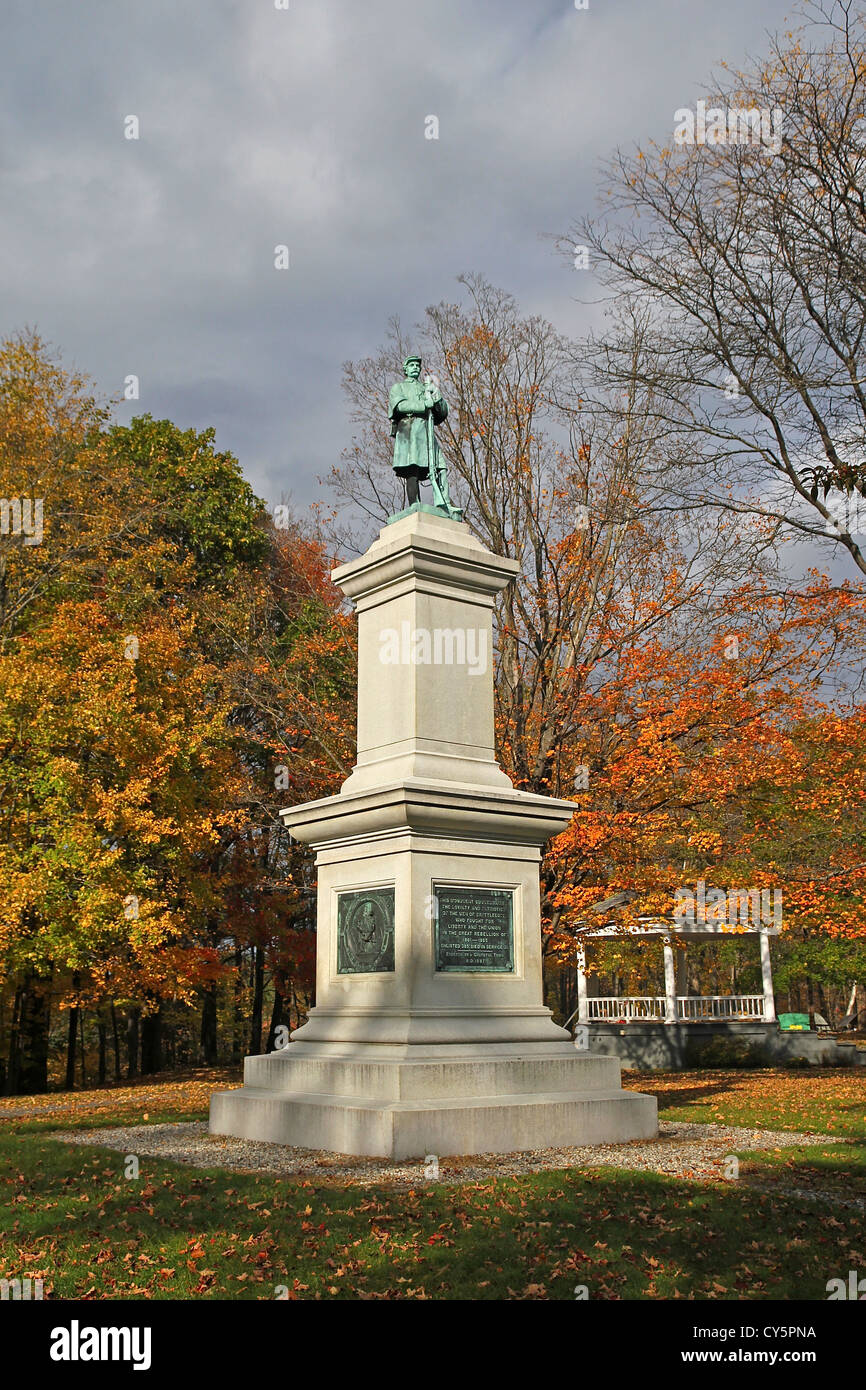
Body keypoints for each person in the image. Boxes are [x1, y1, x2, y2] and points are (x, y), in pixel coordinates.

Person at [388, 355, 449, 506]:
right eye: (412, 365)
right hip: (410, 432)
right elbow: (399, 406)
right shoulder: (399, 387)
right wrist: (423, 405)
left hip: (426, 432)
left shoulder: (426, 387)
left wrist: (437, 397)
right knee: (412, 468)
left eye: (417, 365)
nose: (415, 367)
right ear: (405, 369)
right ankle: (415, 504)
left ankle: (445, 503)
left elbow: (442, 412)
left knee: (440, 467)